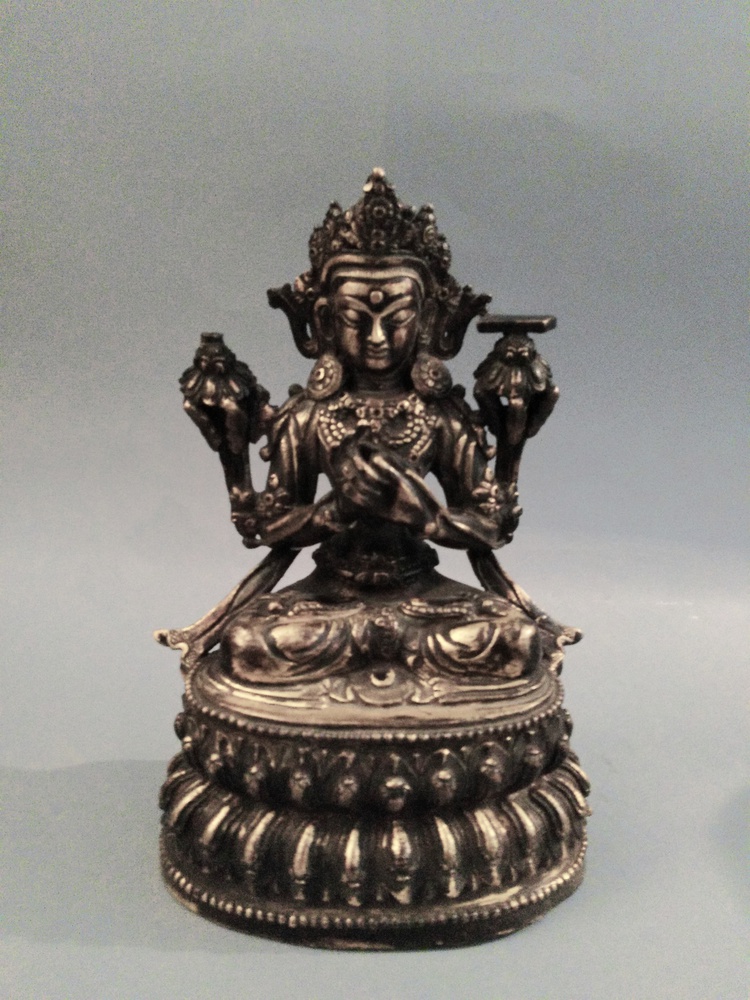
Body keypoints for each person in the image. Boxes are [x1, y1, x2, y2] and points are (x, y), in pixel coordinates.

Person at [219, 172, 544, 685]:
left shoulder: (440, 416)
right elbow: (271, 526)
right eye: (356, 318)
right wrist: (334, 511)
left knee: (512, 639)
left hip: (423, 596)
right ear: (326, 318)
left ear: (426, 318)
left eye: (396, 319)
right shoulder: (308, 416)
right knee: (248, 642)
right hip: (330, 598)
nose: (377, 336)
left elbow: (490, 524)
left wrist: (427, 517)